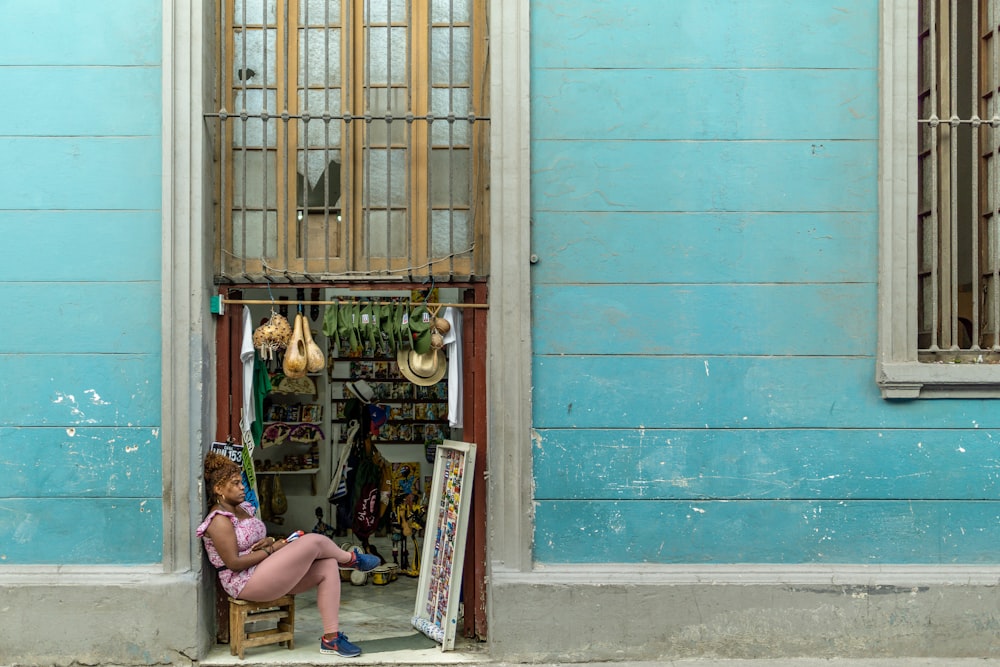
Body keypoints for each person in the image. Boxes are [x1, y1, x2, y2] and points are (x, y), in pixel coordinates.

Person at [197, 451, 379, 657]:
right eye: (236, 483)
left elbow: (252, 543)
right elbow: (234, 563)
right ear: (219, 489)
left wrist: (270, 541)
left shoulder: (243, 509)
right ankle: (351, 560)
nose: (242, 487)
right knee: (313, 540)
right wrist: (271, 549)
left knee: (328, 564)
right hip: (244, 581)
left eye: (241, 482)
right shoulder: (219, 520)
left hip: (263, 571)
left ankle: (331, 639)